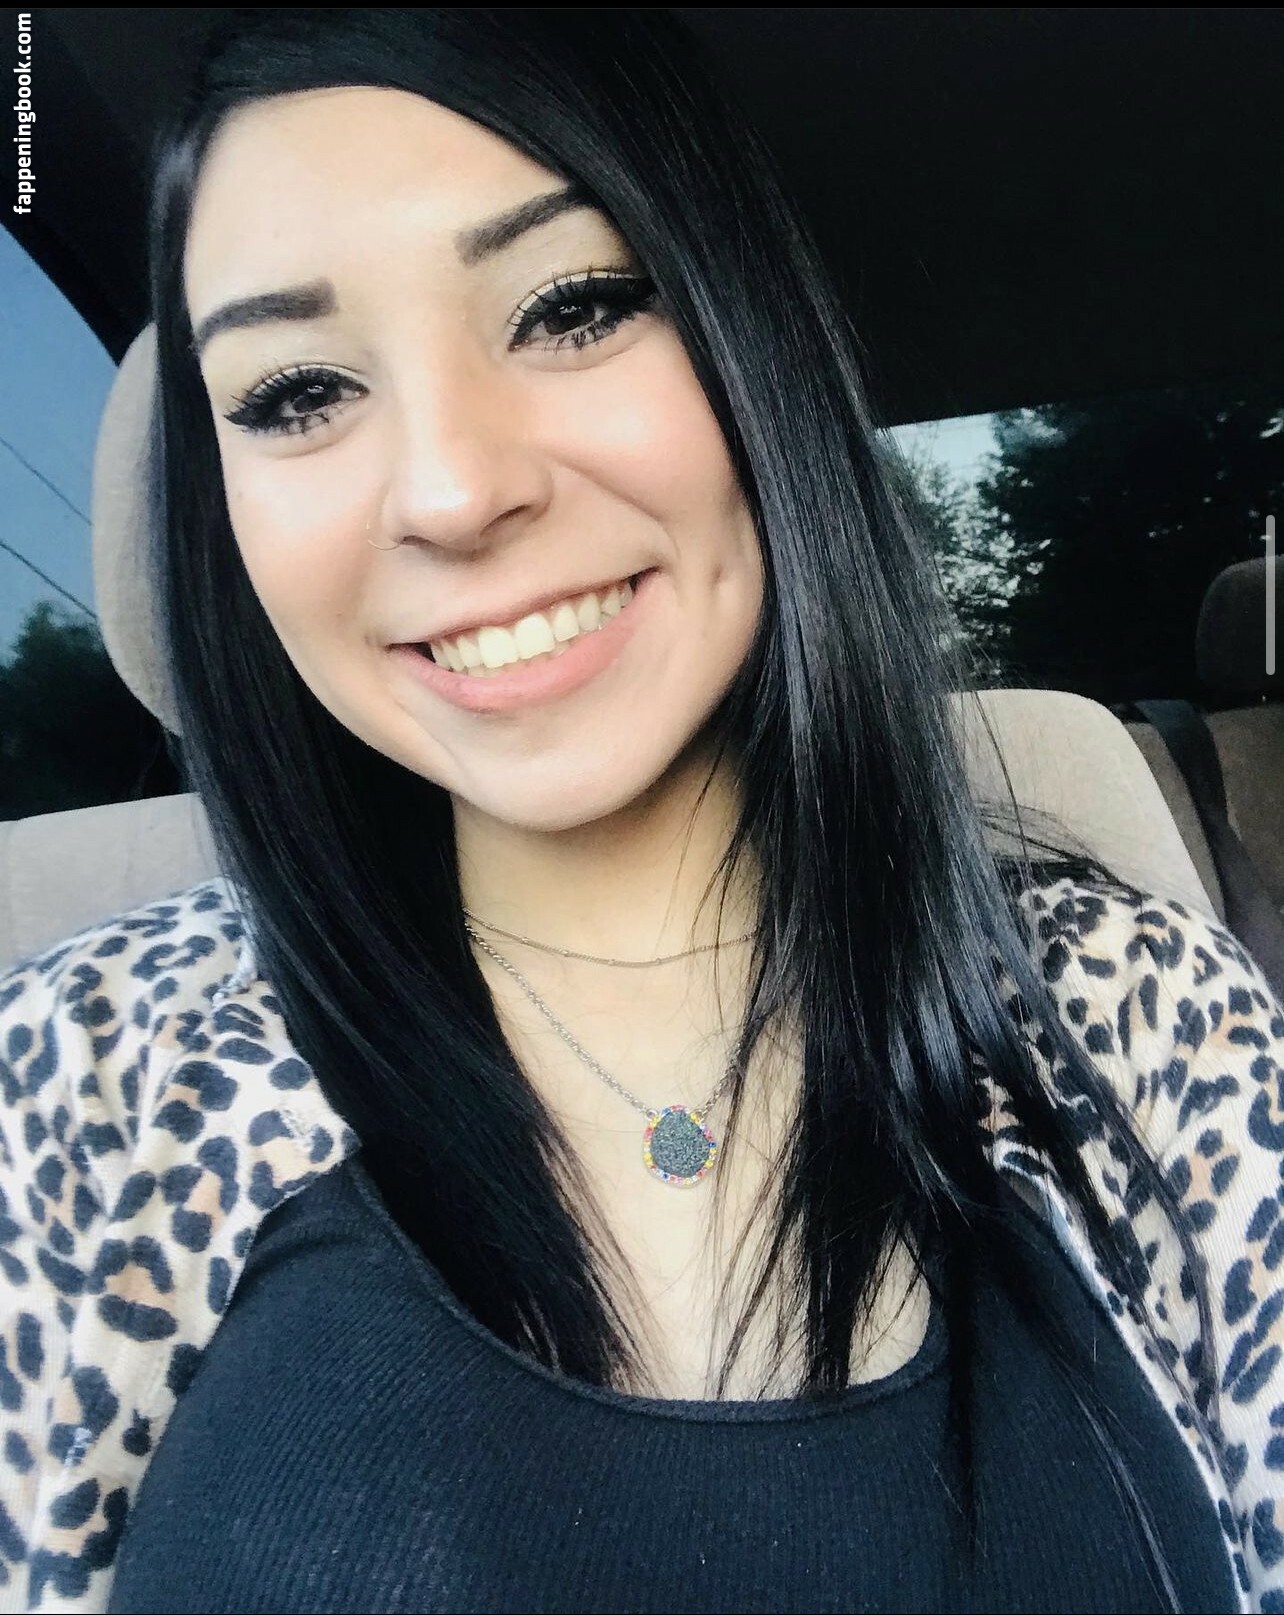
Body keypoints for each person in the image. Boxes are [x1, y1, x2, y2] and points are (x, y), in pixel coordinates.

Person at [2, 8, 1282, 1612]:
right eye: (299, 391)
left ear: (754, 357)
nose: (453, 491)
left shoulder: (1147, 1022)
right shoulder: (78, 1079)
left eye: (573, 306)